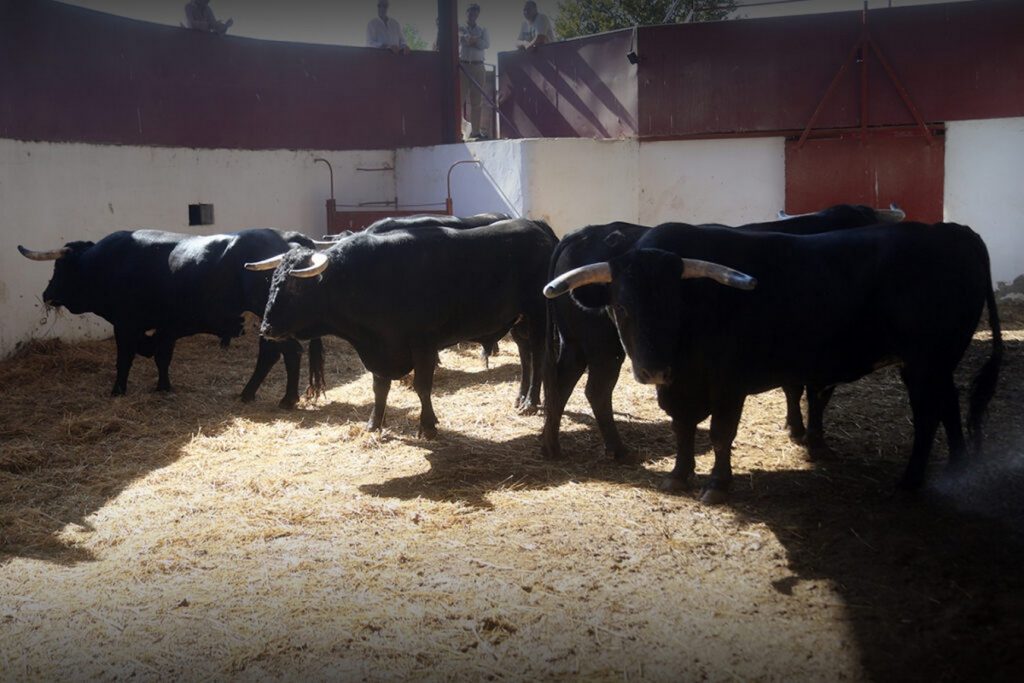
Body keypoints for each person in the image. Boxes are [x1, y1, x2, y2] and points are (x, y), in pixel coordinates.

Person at [460, 3, 490, 140]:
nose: (473, 15)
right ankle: (458, 131)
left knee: (477, 101)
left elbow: (486, 45)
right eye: (471, 12)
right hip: (464, 65)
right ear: (466, 13)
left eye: (476, 13)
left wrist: (473, 40)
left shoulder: (483, 29)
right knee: (459, 99)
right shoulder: (460, 27)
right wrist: (475, 40)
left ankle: (475, 132)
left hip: (479, 66)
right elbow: (464, 39)